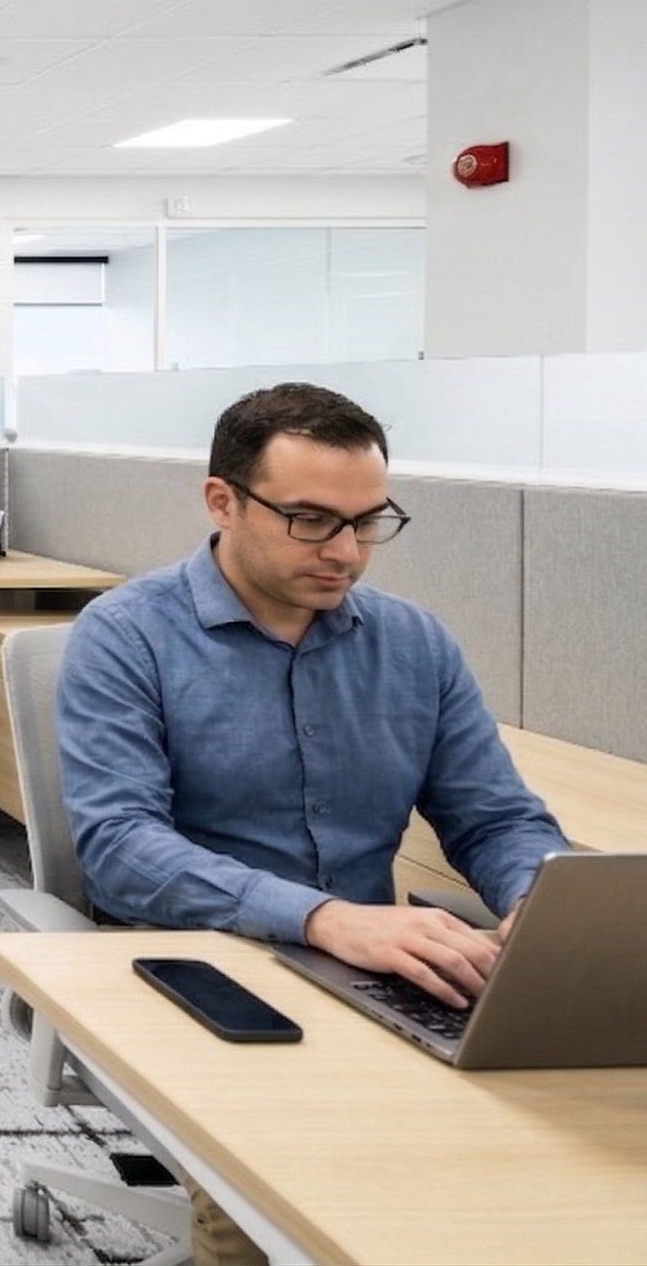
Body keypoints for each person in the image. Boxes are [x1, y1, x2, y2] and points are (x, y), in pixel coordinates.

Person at [59, 381, 568, 1008]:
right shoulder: (127, 634)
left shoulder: (415, 642)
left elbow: (495, 820)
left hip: (367, 972)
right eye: (312, 521)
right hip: (189, 959)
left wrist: (536, 901)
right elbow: (120, 846)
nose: (346, 553)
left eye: (367, 522)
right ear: (223, 502)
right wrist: (323, 918)